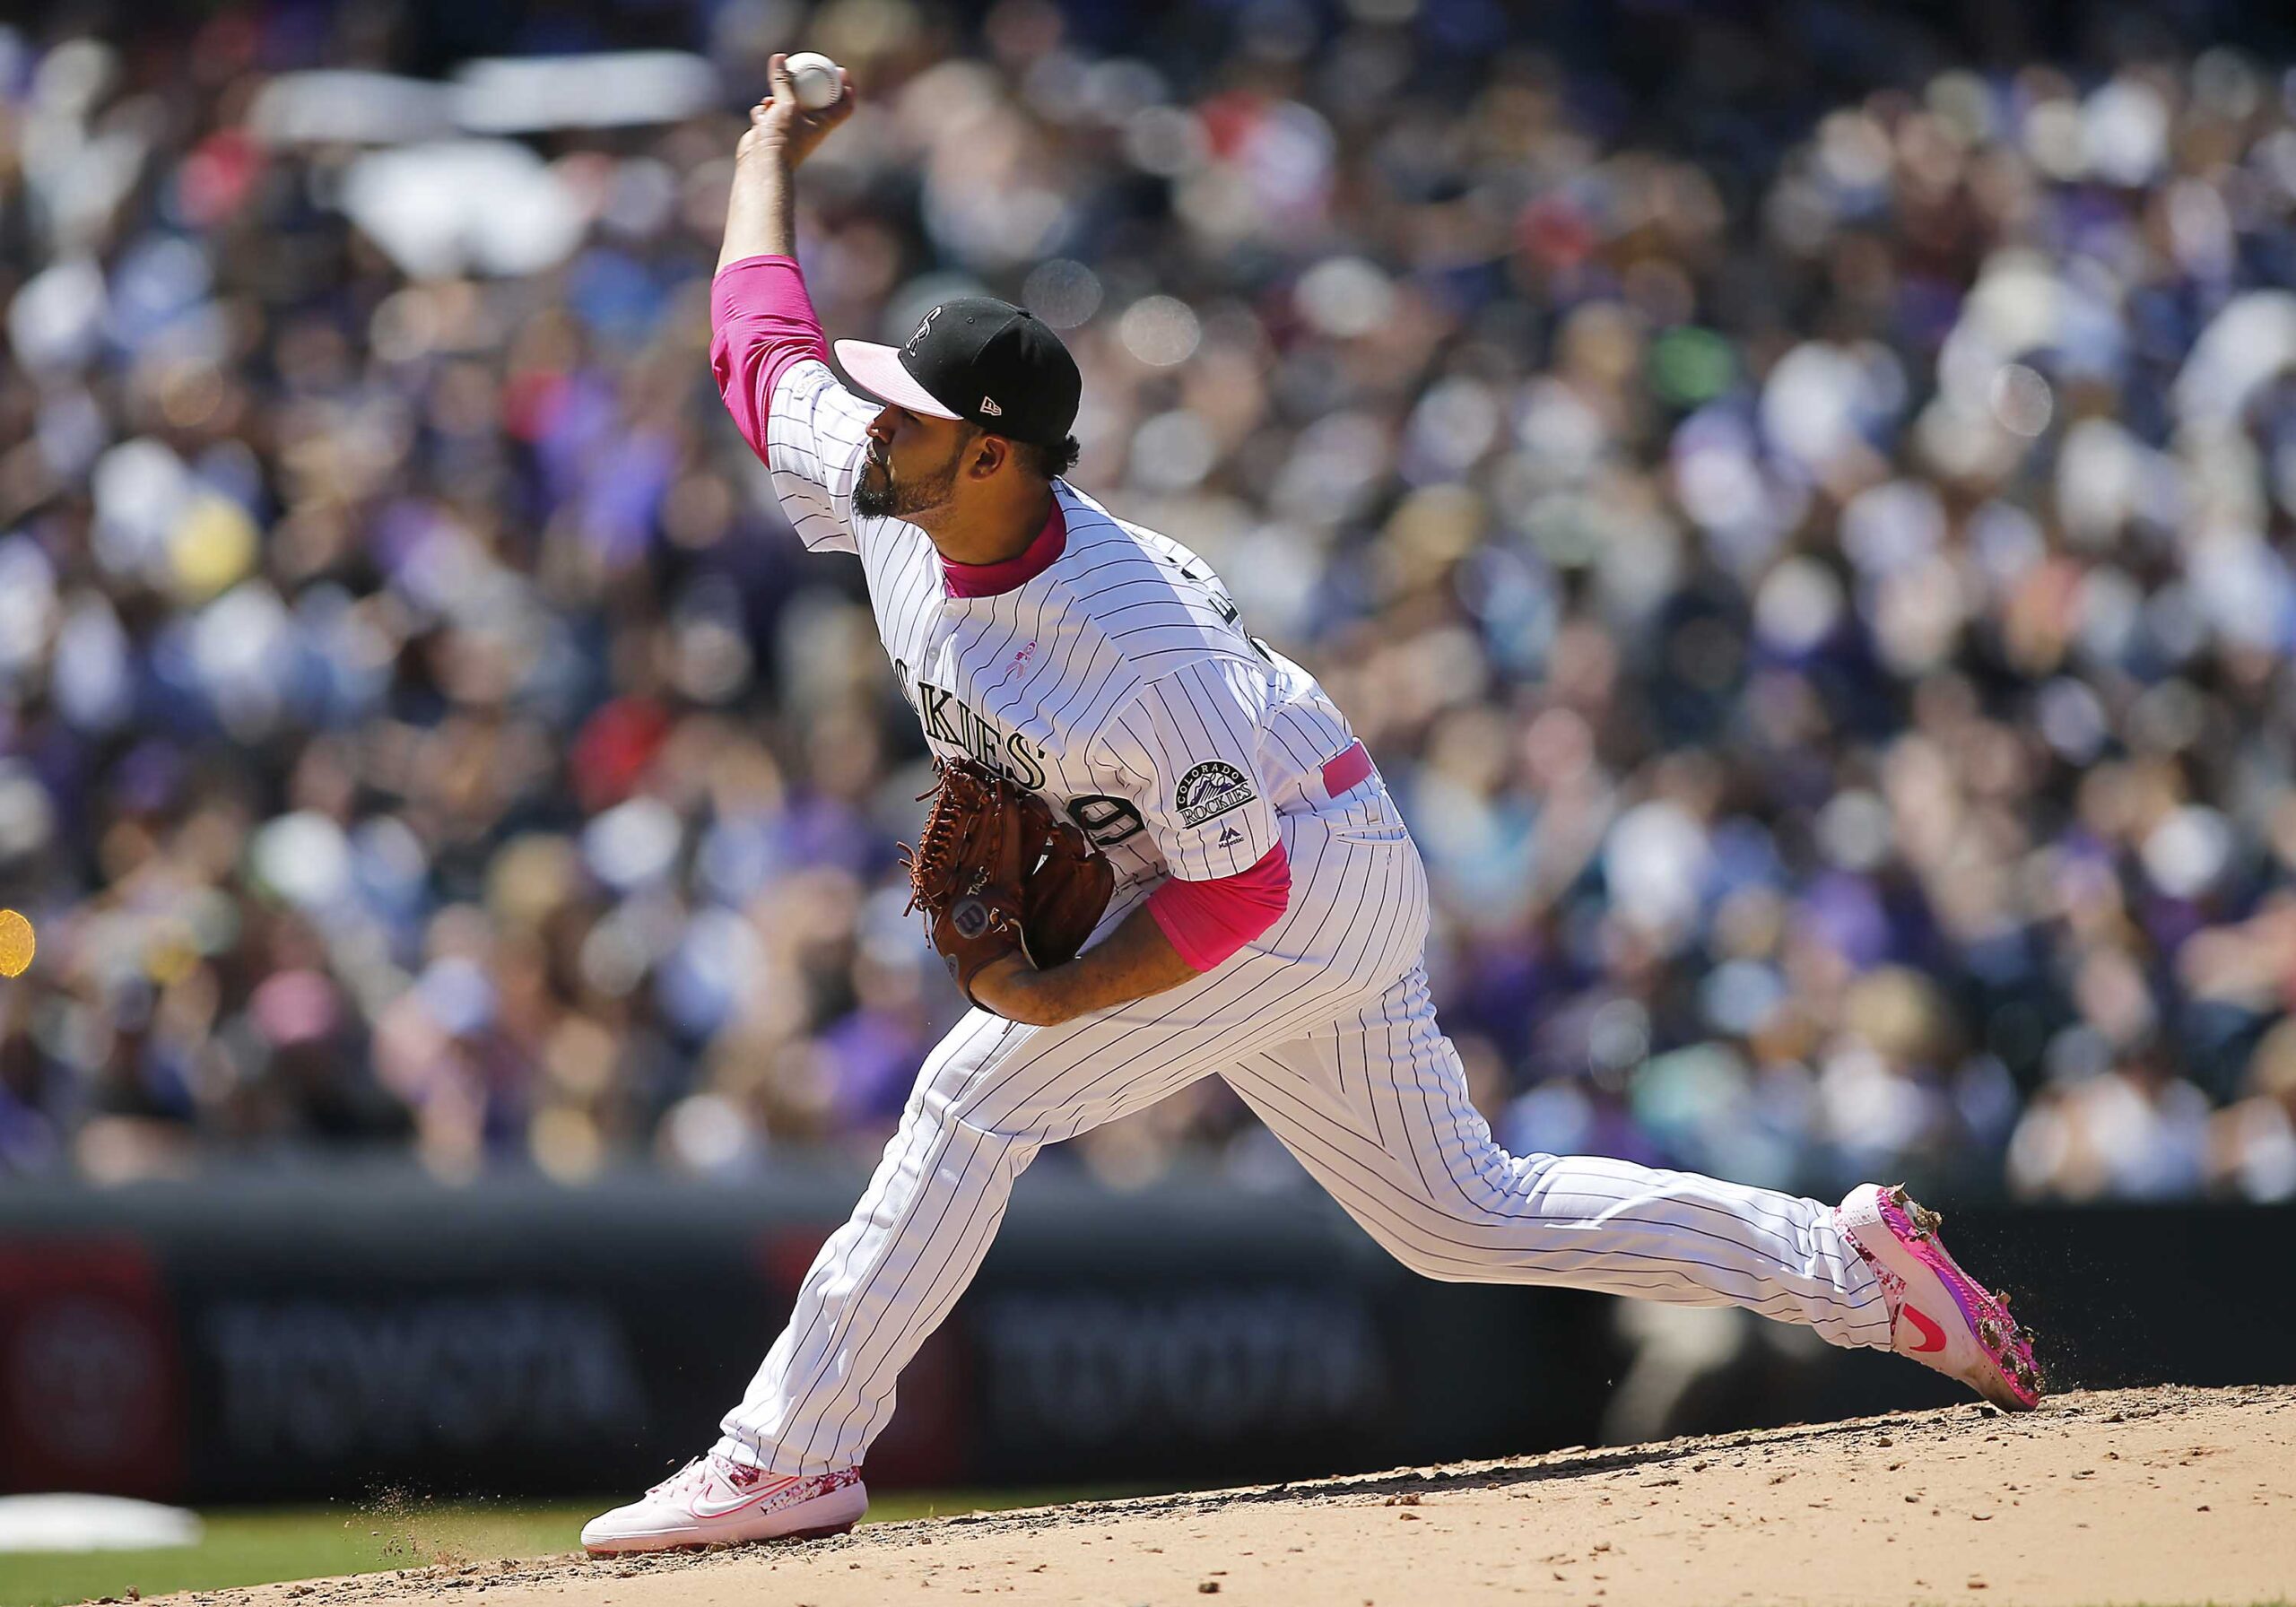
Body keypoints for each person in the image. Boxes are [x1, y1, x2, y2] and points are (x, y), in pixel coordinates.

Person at [578, 58, 2045, 1555]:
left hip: (1296, 874)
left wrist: (1061, 993)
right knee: (1459, 1216)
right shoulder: (901, 491)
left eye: (909, 416)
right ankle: (1854, 1269)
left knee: (973, 1095)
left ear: (995, 451)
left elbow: (1243, 895)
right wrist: (773, 145)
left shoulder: (1132, 648)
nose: (871, 428)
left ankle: (788, 1455)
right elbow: (758, 345)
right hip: (1258, 841)